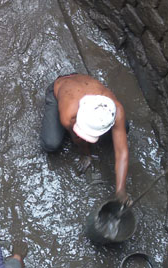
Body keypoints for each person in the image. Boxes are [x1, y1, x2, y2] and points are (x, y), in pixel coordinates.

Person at [39, 73, 130, 203]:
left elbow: (122, 151)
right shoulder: (69, 115)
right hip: (62, 88)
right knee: (50, 144)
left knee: (124, 127)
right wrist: (86, 155)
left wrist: (121, 191)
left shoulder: (116, 109)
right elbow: (78, 139)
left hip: (85, 84)